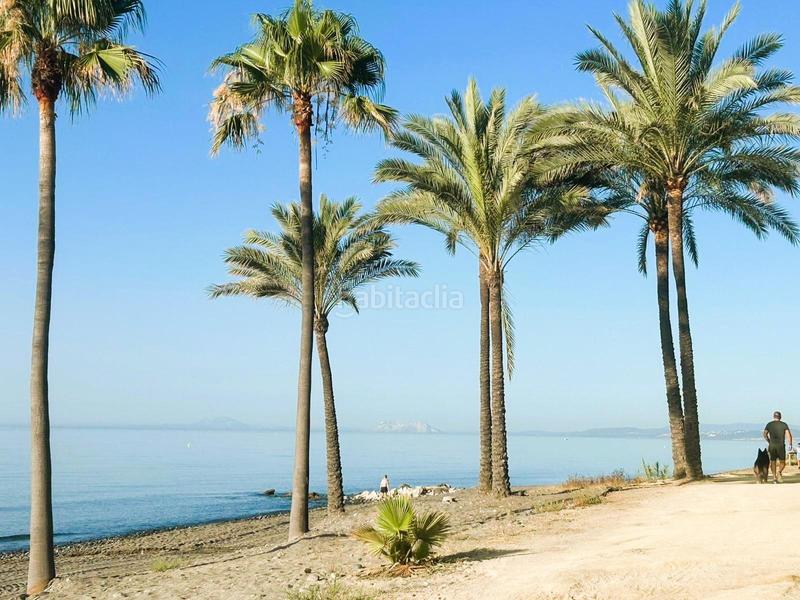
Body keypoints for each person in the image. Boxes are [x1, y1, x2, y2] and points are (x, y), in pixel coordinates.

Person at [763, 411, 793, 483]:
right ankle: (779, 472)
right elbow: (788, 435)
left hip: (772, 445)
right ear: (780, 417)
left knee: (773, 461)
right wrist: (790, 444)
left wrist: (769, 441)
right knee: (783, 462)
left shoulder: (769, 424)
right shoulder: (784, 425)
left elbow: (764, 434)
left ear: (773, 416)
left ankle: (774, 478)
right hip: (781, 446)